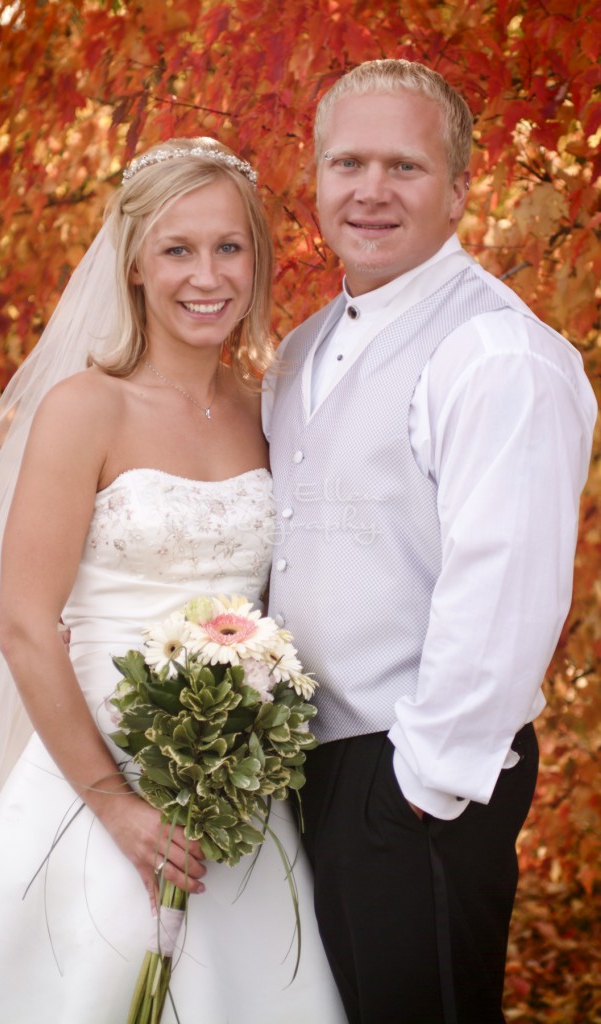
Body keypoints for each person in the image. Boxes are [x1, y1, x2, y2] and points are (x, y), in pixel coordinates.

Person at [0, 138, 347, 1023]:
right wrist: (115, 808)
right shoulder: (86, 408)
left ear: (257, 262)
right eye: (177, 249)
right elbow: (26, 628)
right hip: (95, 776)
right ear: (135, 265)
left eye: (228, 247)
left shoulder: (265, 410)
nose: (207, 275)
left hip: (235, 786)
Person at [264, 59, 597, 1024]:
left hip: (412, 777)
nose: (370, 191)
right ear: (314, 179)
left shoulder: (495, 353)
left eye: (404, 168)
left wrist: (425, 786)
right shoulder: (301, 349)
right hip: (305, 768)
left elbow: (505, 589)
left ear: (457, 189)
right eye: (346, 162)